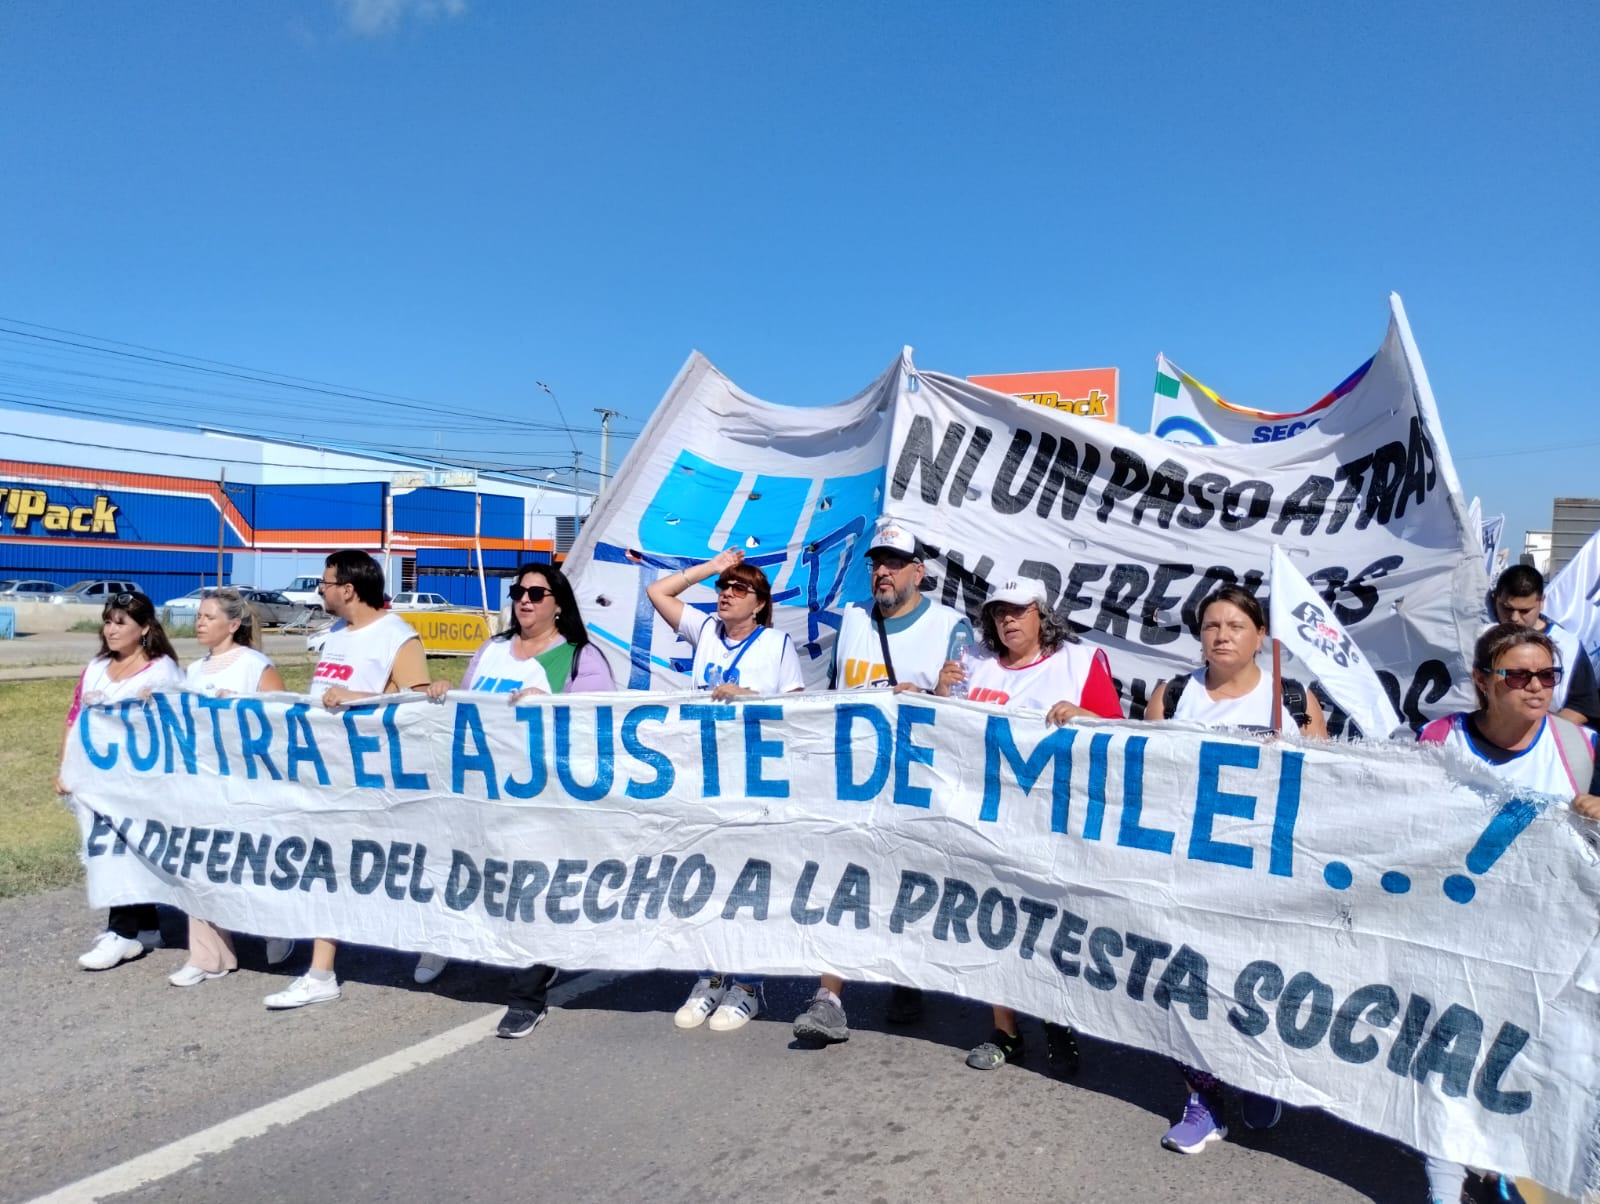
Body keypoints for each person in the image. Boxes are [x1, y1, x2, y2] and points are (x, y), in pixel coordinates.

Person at [1142, 584, 1328, 1154]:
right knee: (1187, 981)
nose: (1222, 635)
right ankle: (1202, 1099)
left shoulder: (1293, 700)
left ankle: (1256, 1073)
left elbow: (1330, 787)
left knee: (1257, 979)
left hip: (1268, 877)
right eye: (1211, 626)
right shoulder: (1172, 696)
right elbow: (1140, 772)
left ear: (1260, 639)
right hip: (1189, 870)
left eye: (1235, 626)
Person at [1416, 623, 1598, 1204]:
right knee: (1445, 1059)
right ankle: (1444, 1182)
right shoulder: (1438, 741)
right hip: (1454, 930)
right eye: (1518, 675)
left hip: (1546, 943)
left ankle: (1509, 1173)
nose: (1537, 687)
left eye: (1546, 675)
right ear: (1482, 681)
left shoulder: (1579, 748)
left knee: (1528, 1064)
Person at [414, 563, 617, 1041]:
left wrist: (550, 708)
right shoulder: (492, 649)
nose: (525, 600)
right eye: (518, 591)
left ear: (558, 603)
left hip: (540, 801)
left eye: (537, 593)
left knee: (530, 890)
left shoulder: (578, 658)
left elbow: (598, 722)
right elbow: (467, 707)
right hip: (482, 796)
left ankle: (527, 996)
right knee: (484, 878)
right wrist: (445, 694)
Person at [936, 577, 1124, 1072]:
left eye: (1018, 611)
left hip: (1049, 822)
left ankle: (1057, 1020)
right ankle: (1006, 1031)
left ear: (1043, 614)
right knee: (989, 922)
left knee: (1047, 923)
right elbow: (942, 727)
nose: (1007, 620)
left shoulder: (1079, 662)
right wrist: (939, 694)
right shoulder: (972, 661)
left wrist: (1084, 716)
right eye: (999, 612)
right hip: (981, 817)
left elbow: (1120, 735)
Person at [792, 521, 970, 1044]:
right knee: (844, 878)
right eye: (876, 563)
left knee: (907, 881)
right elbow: (831, 692)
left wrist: (933, 694)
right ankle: (829, 999)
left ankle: (903, 971)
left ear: (919, 571)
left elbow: (967, 715)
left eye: (894, 562)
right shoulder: (853, 620)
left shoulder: (949, 627)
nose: (883, 572)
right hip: (853, 776)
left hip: (916, 782)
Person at [262, 550, 437, 1011]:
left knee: (380, 863)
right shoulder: (336, 632)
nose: (320, 589)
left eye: (325, 582)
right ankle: (317, 962)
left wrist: (358, 698)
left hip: (371, 772)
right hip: (323, 767)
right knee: (327, 862)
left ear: (348, 588)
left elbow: (418, 699)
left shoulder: (398, 635)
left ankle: (428, 935)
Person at [646, 547, 804, 1033]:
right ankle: (711, 976)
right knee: (705, 876)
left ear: (759, 603)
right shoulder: (705, 631)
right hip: (703, 776)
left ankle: (749, 986)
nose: (727, 595)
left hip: (752, 781)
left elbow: (800, 712)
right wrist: (710, 569)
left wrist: (751, 697)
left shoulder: (776, 644)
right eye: (724, 588)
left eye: (740, 589)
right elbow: (658, 591)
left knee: (750, 882)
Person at [165, 589, 293, 986]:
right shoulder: (194, 670)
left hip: (248, 782)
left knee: (250, 865)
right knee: (200, 862)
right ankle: (209, 956)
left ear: (233, 624)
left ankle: (280, 925)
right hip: (204, 782)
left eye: (208, 616)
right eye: (199, 616)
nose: (199, 622)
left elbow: (283, 718)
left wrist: (239, 705)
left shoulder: (255, 665)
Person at [61, 591, 185, 970]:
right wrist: (65, 767)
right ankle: (147, 927)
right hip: (97, 778)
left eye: (121, 623)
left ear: (144, 629)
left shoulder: (162, 671)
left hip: (139, 783)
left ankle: (122, 931)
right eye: (108, 621)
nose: (111, 630)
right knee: (111, 849)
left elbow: (176, 726)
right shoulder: (96, 666)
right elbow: (75, 717)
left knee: (121, 851)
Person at [1491, 565, 1600, 729]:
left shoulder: (1568, 647)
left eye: (1524, 611)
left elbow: (1582, 707)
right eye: (1507, 608)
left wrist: (1537, 733)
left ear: (1541, 602)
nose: (1514, 618)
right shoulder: (1478, 639)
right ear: (1495, 599)